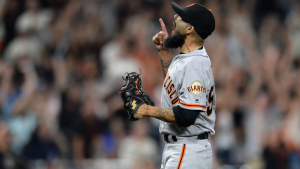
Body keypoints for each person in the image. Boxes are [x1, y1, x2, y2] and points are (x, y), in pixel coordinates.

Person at [132, 2, 216, 169]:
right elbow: (175, 94)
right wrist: (164, 53)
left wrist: (147, 110)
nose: (175, 18)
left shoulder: (194, 64)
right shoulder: (189, 59)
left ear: (189, 29)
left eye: (181, 17)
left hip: (187, 148)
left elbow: (186, 115)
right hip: (183, 148)